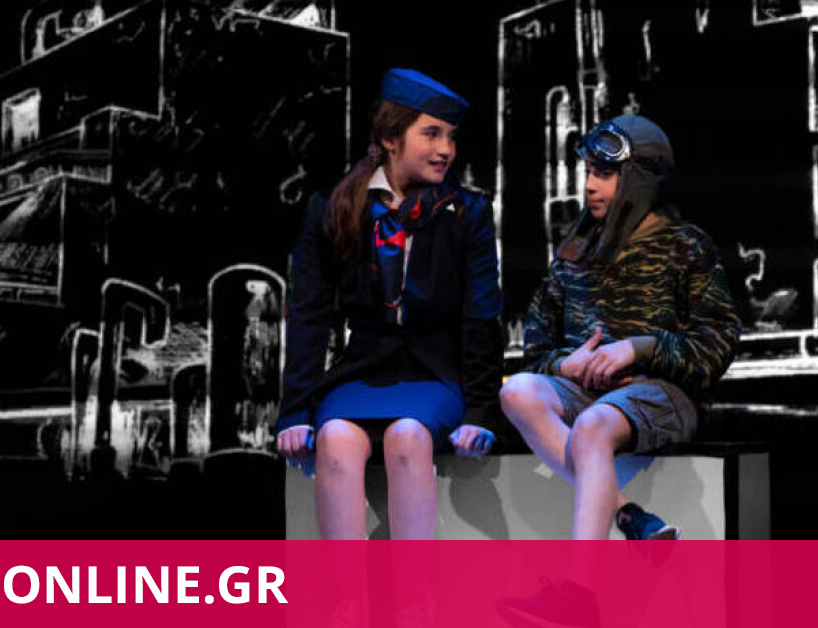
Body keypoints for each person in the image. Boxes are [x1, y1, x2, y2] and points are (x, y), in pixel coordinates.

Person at [275, 68, 503, 542]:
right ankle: (344, 590)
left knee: (407, 436)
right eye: (431, 134)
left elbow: (481, 317)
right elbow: (309, 315)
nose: (446, 149)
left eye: (451, 137)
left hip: (433, 373)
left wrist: (479, 411)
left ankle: (414, 589)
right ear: (389, 137)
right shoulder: (335, 207)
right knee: (335, 439)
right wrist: (294, 411)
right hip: (363, 370)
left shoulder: (468, 214)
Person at [499, 114, 742, 542]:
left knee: (593, 426)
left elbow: (716, 346)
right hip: (585, 393)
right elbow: (535, 353)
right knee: (516, 391)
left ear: (639, 179)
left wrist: (638, 349)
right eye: (589, 172)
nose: (590, 186)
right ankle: (628, 515)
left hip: (662, 394)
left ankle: (583, 580)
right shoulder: (573, 253)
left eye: (605, 174)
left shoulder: (685, 245)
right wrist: (566, 366)